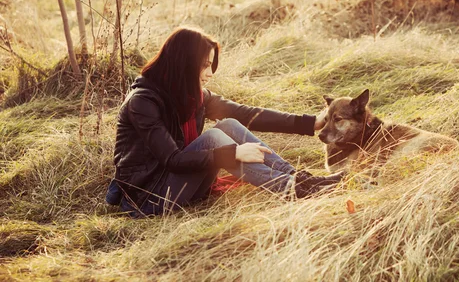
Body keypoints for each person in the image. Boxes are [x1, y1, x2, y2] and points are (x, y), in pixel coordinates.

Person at [106, 27, 343, 216]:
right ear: (185, 64)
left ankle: (299, 180)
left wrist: (309, 123)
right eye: (206, 65)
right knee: (214, 137)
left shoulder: (191, 95)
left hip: (181, 186)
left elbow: (246, 114)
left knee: (228, 124)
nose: (210, 74)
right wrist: (234, 153)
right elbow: (173, 160)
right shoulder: (143, 103)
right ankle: (290, 189)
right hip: (147, 199)